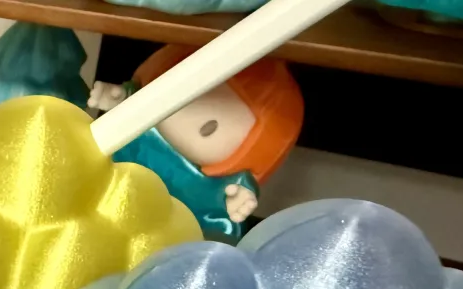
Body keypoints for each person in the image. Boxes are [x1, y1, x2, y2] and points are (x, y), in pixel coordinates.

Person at [90, 46, 304, 242]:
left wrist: (237, 198)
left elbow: (229, 199)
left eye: (209, 128)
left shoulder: (210, 186)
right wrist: (120, 99)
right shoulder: (139, 129)